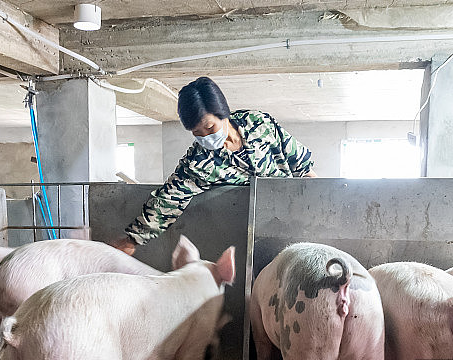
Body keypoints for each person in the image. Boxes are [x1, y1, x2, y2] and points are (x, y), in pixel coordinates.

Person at [114, 76, 316, 255]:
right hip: (251, 238)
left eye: (210, 127)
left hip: (295, 221)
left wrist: (319, 205)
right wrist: (133, 240)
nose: (206, 136)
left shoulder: (259, 124)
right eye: (197, 133)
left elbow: (303, 167)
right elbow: (169, 199)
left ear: (223, 113)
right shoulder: (198, 162)